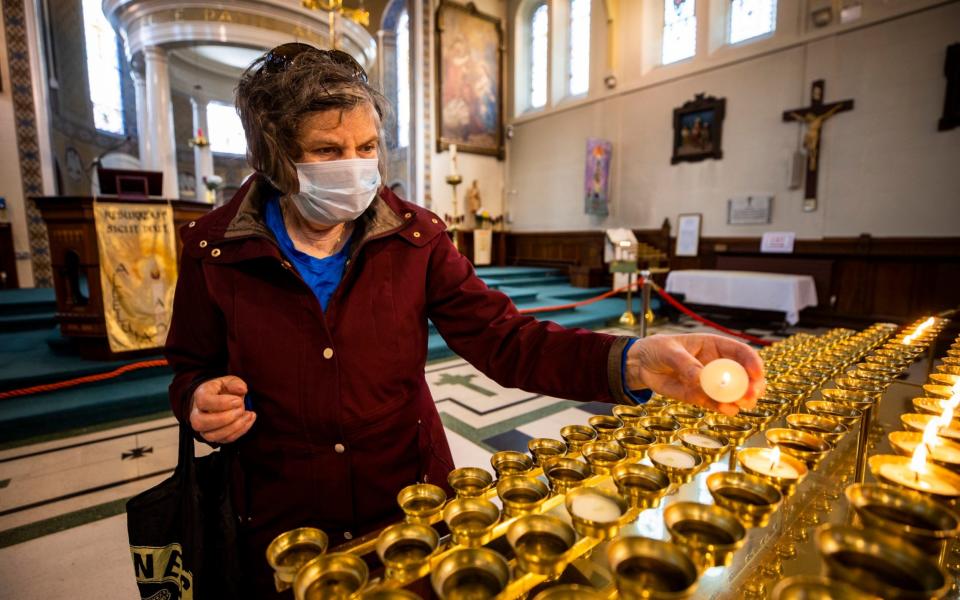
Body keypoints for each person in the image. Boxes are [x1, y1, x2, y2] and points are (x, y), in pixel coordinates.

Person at [164, 43, 765, 597]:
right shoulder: (214, 249)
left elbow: (508, 341)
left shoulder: (415, 238)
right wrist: (196, 400)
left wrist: (633, 359)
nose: (354, 167)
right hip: (280, 516)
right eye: (327, 150)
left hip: (408, 504)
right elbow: (189, 364)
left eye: (367, 147)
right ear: (275, 157)